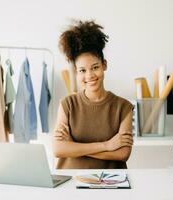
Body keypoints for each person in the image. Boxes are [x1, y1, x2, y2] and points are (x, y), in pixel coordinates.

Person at [53, 20, 134, 169]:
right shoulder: (67, 104)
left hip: (110, 183)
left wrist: (74, 147)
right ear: (76, 72)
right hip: (71, 182)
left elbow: (123, 154)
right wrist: (107, 145)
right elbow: (58, 150)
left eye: (95, 67)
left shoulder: (124, 107)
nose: (89, 75)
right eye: (82, 70)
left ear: (104, 65)